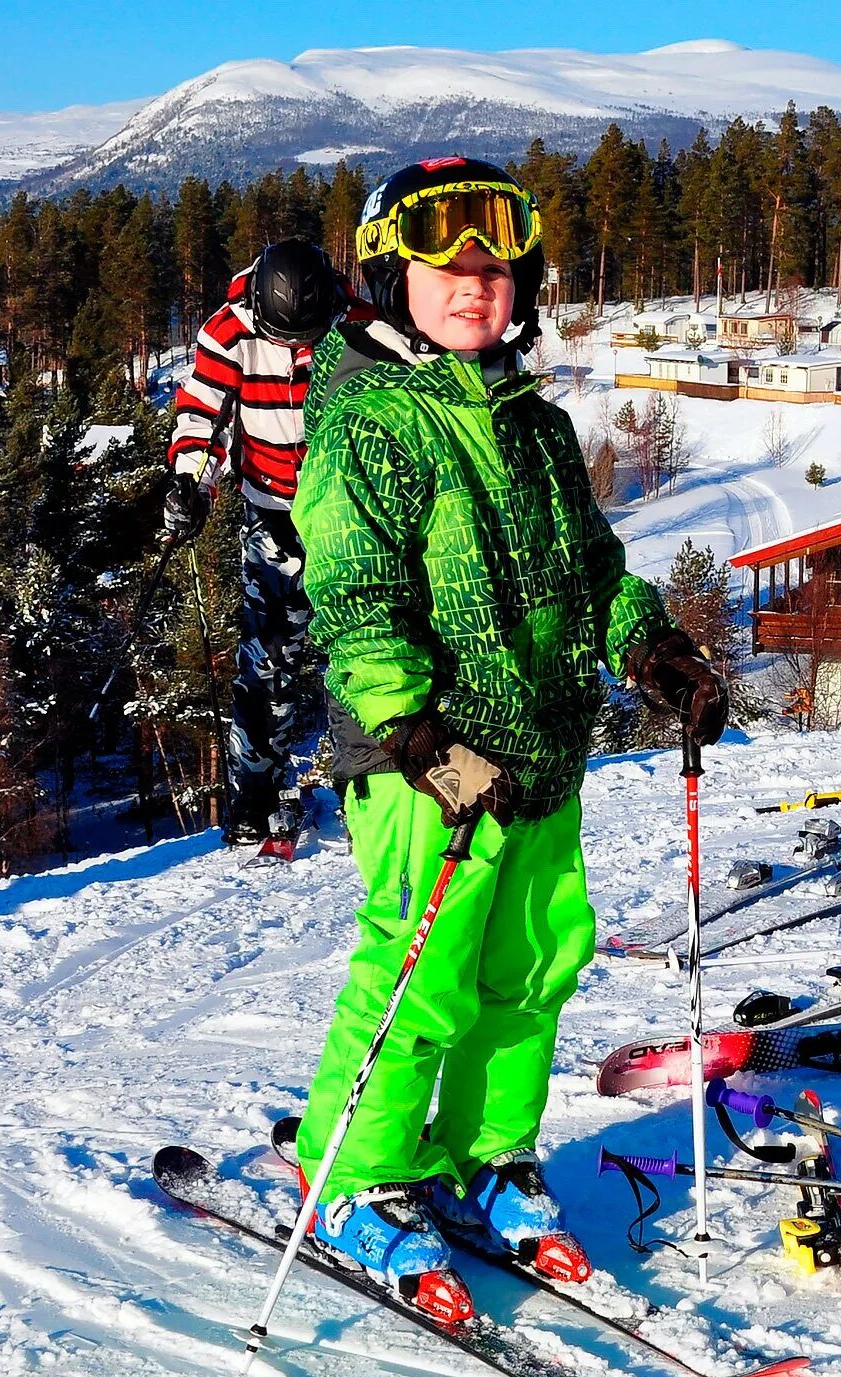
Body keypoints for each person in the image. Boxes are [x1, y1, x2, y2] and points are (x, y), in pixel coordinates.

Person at [289, 157, 727, 1316]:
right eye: (446, 270)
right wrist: (419, 735)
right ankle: (358, 1173)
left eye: (493, 271)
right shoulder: (366, 424)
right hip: (421, 758)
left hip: (538, 751)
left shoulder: (531, 421)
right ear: (390, 278)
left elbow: (588, 569)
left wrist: (651, 650)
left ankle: (486, 1155)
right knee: (421, 972)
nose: (473, 289)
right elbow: (354, 599)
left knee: (534, 965)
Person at [165, 239, 352, 845]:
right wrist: (190, 481)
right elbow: (200, 412)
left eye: (308, 339)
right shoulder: (228, 329)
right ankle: (254, 800)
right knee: (268, 656)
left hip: (354, 512)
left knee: (364, 650)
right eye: (284, 339)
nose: (298, 350)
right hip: (272, 507)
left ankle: (373, 789)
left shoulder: (358, 321)